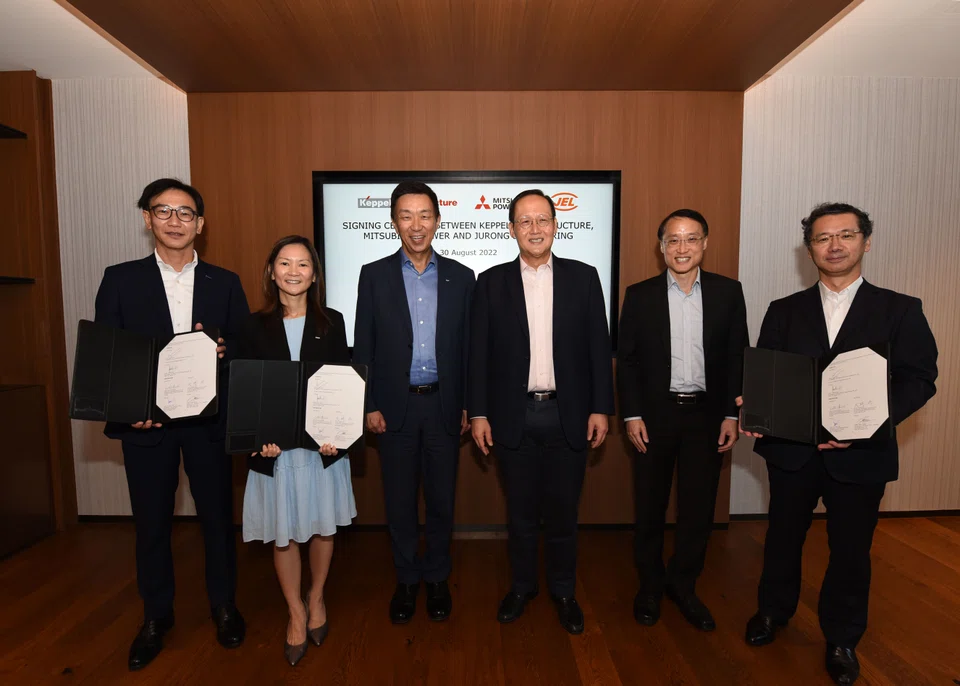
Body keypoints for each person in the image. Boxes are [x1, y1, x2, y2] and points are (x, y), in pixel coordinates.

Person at [740, 203, 938, 685]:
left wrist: (866, 425)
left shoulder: (900, 309)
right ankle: (773, 613)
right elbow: (769, 374)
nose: (834, 246)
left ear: (865, 242)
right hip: (793, 453)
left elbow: (919, 378)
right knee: (783, 539)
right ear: (808, 249)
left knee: (851, 550)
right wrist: (757, 405)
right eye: (823, 238)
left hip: (862, 456)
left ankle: (843, 637)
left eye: (845, 235)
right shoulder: (783, 311)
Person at [94, 178, 249, 671]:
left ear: (200, 224)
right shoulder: (119, 280)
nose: (176, 221)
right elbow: (109, 357)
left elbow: (244, 354)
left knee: (218, 523)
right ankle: (157, 617)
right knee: (152, 525)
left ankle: (224, 607)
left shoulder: (224, 282)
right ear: (147, 219)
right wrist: (126, 409)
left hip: (209, 424)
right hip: (148, 426)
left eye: (186, 213)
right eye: (164, 212)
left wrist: (225, 352)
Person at [469, 189, 615, 634]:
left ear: (556, 225)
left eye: (543, 220)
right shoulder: (490, 282)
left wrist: (601, 409)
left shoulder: (584, 277)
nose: (535, 229)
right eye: (525, 221)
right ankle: (522, 587)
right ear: (511, 229)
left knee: (564, 512)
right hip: (512, 417)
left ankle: (564, 590)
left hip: (566, 414)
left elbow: (597, 349)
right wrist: (478, 413)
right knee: (520, 514)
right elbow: (478, 355)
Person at [617, 209, 748, 631]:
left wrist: (732, 412)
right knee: (650, 508)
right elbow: (629, 361)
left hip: (707, 418)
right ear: (661, 248)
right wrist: (632, 414)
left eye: (691, 238)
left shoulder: (729, 293)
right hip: (654, 418)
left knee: (697, 510)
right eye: (673, 240)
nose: (682, 247)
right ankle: (650, 587)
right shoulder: (639, 295)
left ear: (705, 244)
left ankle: (684, 585)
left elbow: (736, 357)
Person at [353, 181, 475, 623]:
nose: (416, 225)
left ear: (438, 221)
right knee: (400, 502)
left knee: (442, 500)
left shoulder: (463, 277)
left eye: (425, 215)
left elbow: (469, 350)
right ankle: (406, 580)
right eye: (406, 216)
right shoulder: (373, 274)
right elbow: (362, 346)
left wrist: (469, 404)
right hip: (394, 408)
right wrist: (367, 403)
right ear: (393, 222)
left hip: (444, 406)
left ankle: (437, 577)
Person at [238, 235, 356, 666]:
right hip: (274, 452)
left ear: (314, 273)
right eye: (284, 264)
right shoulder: (250, 325)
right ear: (271, 272)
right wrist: (257, 438)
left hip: (321, 447)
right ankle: (294, 611)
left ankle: (317, 596)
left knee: (324, 526)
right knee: (284, 529)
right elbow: (245, 388)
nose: (293, 272)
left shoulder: (334, 321)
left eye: (303, 264)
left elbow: (343, 382)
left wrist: (338, 431)